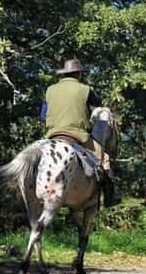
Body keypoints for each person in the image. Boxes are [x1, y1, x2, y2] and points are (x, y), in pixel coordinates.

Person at [41, 59, 115, 205]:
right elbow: (98, 103)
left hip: (51, 136)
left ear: (64, 74)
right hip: (77, 135)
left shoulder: (50, 90)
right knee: (104, 159)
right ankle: (109, 197)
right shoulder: (85, 89)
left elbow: (43, 115)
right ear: (78, 74)